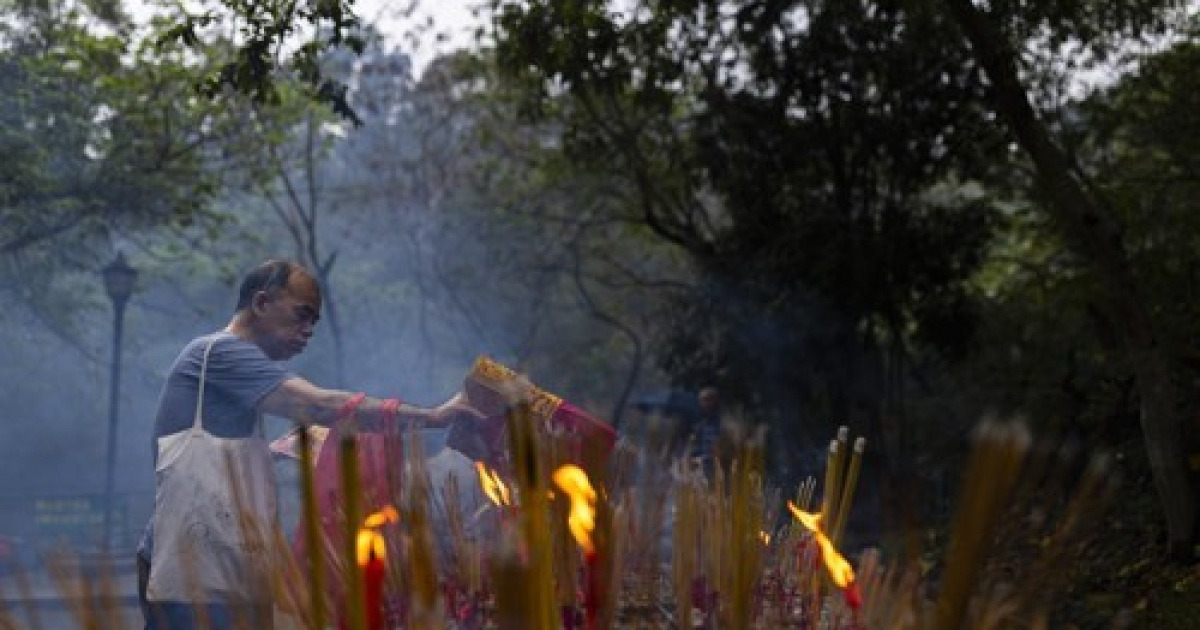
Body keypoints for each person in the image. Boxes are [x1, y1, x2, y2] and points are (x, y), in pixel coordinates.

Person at [136, 259, 480, 629]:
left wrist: (275, 454)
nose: (307, 331)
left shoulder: (236, 376)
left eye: (313, 323)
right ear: (262, 302)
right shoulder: (220, 352)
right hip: (195, 577)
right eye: (301, 315)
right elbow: (318, 405)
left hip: (221, 571)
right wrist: (431, 418)